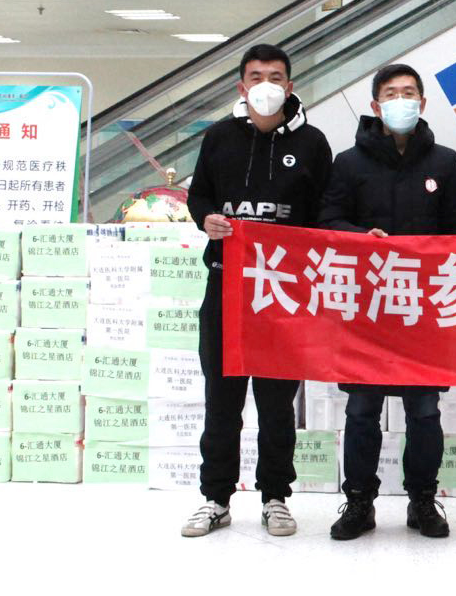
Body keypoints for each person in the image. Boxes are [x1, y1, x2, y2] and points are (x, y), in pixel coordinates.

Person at [181, 43, 332, 539]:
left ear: (289, 85)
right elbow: (199, 195)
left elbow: (325, 213)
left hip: (283, 294)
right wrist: (206, 218)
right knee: (221, 401)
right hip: (226, 286)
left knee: (276, 404)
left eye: (275, 77)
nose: (266, 85)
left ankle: (275, 497)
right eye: (256, 77)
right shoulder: (219, 137)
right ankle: (215, 498)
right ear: (241, 86)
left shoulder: (312, 143)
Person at [318, 63, 456, 541]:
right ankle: (359, 501)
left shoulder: (444, 162)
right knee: (362, 408)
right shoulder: (349, 162)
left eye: (409, 93)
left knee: (424, 409)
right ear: (375, 105)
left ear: (422, 104)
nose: (400, 101)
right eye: (391, 93)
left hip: (423, 306)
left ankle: (422, 500)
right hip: (366, 306)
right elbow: (328, 220)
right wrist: (361, 237)